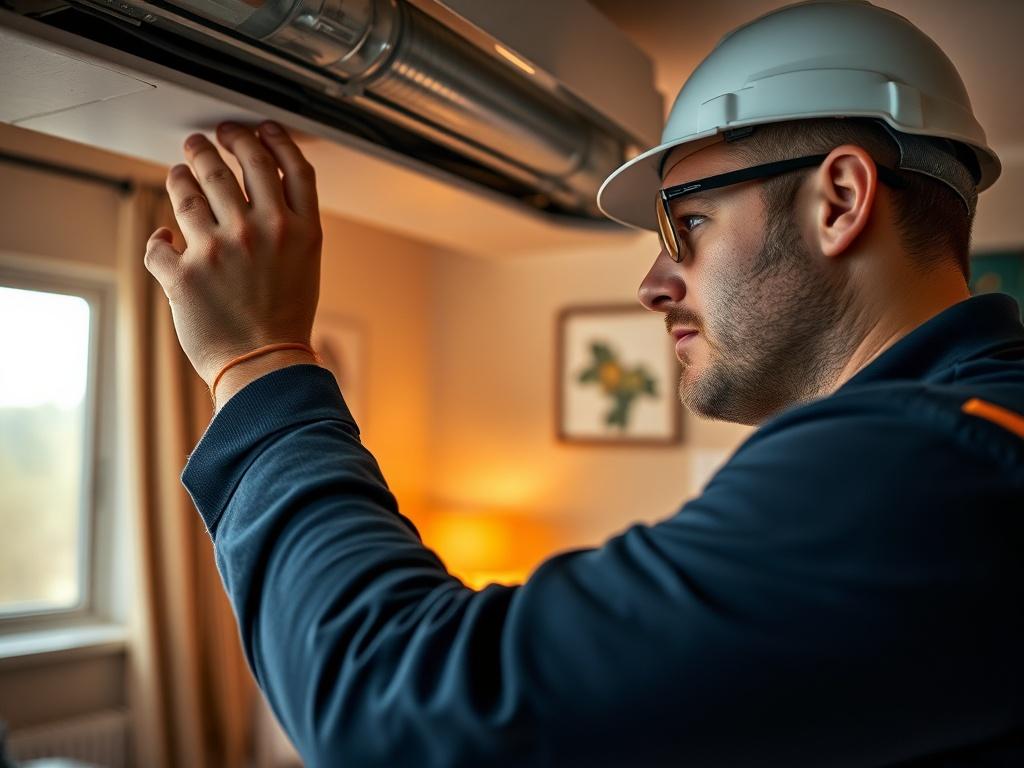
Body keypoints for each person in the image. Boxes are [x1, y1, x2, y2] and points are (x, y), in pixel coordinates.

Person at [143, 1, 1024, 765]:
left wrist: (256, 363)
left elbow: (400, 715)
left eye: (690, 224)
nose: (652, 285)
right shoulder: (969, 438)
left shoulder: (924, 466)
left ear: (837, 200)